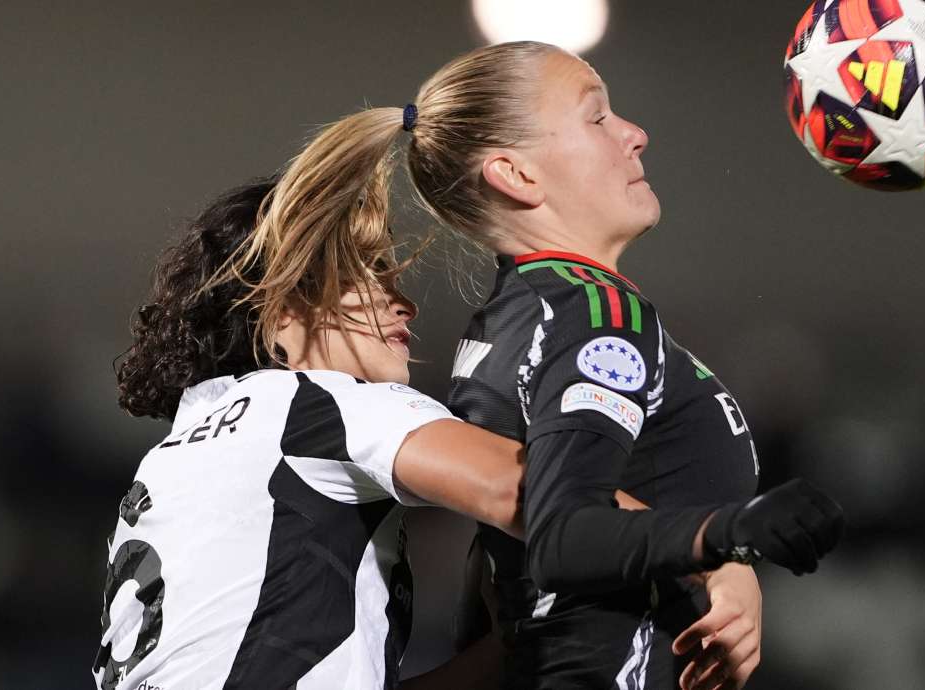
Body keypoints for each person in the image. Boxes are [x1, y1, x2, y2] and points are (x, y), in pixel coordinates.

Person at [256, 41, 846, 690]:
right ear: (518, 175)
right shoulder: (593, 308)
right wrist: (730, 536)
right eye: (598, 117)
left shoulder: (509, 322)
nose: (635, 134)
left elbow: (499, 585)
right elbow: (562, 537)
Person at [96, 173, 799, 690]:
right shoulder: (316, 404)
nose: (402, 300)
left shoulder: (173, 461)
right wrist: (721, 552)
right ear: (281, 315)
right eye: (366, 274)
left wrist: (502, 655)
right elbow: (541, 499)